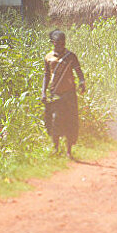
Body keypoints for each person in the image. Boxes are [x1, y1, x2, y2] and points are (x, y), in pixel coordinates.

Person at [42, 30, 86, 159]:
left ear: (64, 43)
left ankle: (69, 151)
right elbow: (46, 75)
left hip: (69, 94)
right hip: (55, 95)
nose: (59, 47)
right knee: (55, 120)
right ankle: (55, 149)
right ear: (53, 43)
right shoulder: (48, 57)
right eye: (57, 44)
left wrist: (82, 82)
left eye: (62, 44)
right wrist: (43, 92)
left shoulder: (71, 56)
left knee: (70, 121)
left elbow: (78, 71)